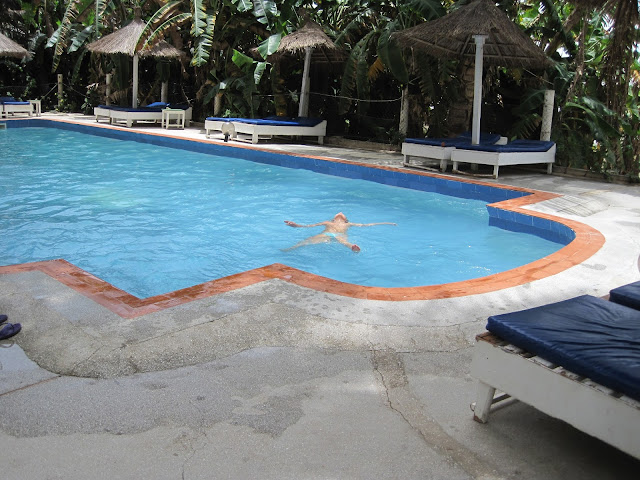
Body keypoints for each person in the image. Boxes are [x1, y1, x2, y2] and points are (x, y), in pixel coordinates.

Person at [284, 212, 396, 252]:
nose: (340, 213)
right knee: (307, 241)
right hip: (327, 233)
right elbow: (308, 226)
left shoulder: (348, 224)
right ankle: (291, 248)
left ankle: (353, 248)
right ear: (333, 219)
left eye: (342, 214)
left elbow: (367, 225)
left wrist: (386, 223)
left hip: (339, 235)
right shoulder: (328, 222)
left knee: (345, 242)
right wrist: (296, 225)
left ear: (346, 219)